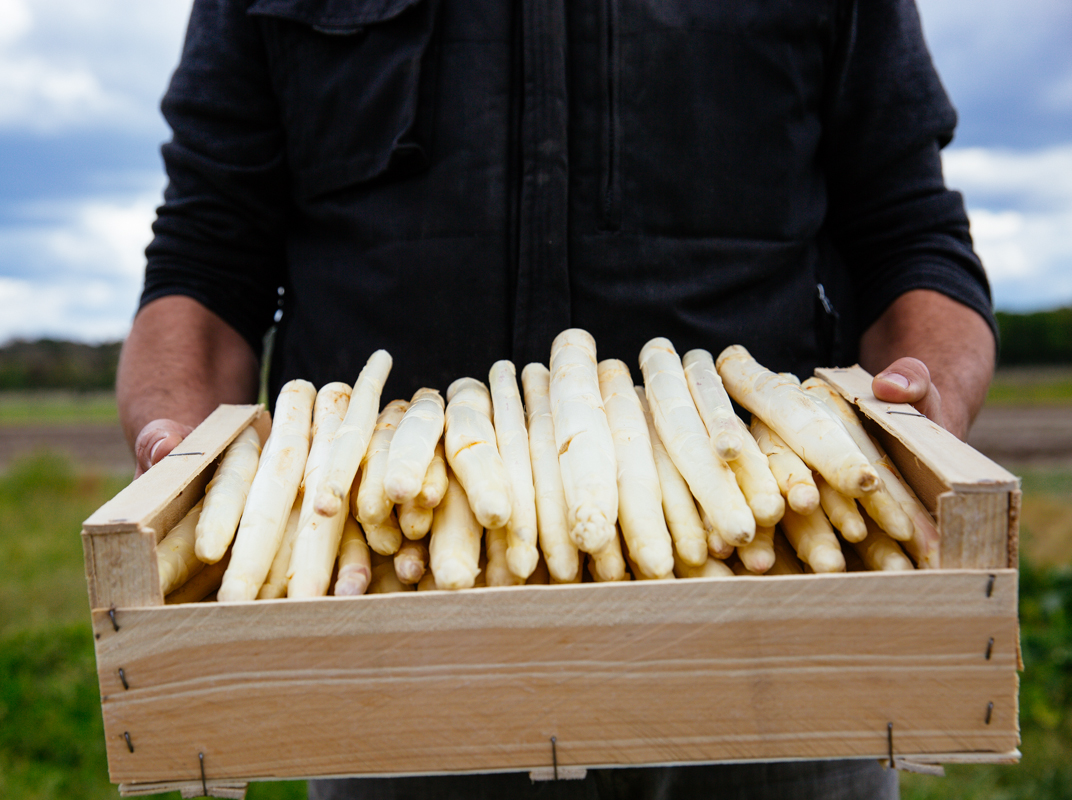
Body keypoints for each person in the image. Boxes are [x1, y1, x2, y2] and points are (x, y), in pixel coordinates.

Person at [116, 0, 996, 795]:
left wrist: (920, 424)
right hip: (386, 644)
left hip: (785, 645)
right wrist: (190, 463)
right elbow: (208, 252)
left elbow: (905, 226)